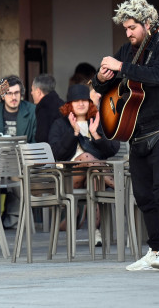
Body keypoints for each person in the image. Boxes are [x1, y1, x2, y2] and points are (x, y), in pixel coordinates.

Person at [93, 0, 159, 271]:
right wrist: (101, 77)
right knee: (144, 195)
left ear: (148, 24)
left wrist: (122, 67)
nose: (128, 33)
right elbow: (103, 89)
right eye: (125, 28)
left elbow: (157, 75)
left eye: (132, 27)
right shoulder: (127, 50)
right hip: (138, 134)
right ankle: (154, 249)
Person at [48, 84, 119, 247]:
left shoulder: (97, 122)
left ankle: (95, 232)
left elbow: (112, 150)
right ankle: (119, 185)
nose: (81, 104)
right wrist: (73, 133)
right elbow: (57, 154)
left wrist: (95, 135)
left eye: (84, 101)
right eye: (76, 101)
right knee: (86, 157)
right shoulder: (60, 124)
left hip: (95, 175)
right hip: (68, 178)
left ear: (90, 103)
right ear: (69, 105)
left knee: (94, 179)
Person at [0, 75, 36, 144]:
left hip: (25, 154)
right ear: (2, 96)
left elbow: (37, 142)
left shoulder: (33, 111)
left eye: (16, 92)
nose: (13, 97)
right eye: (9, 93)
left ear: (21, 93)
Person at [31, 73, 64, 143]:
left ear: (38, 92)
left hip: (51, 151)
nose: (31, 93)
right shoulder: (62, 103)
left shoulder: (43, 107)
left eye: (32, 90)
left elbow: (41, 138)